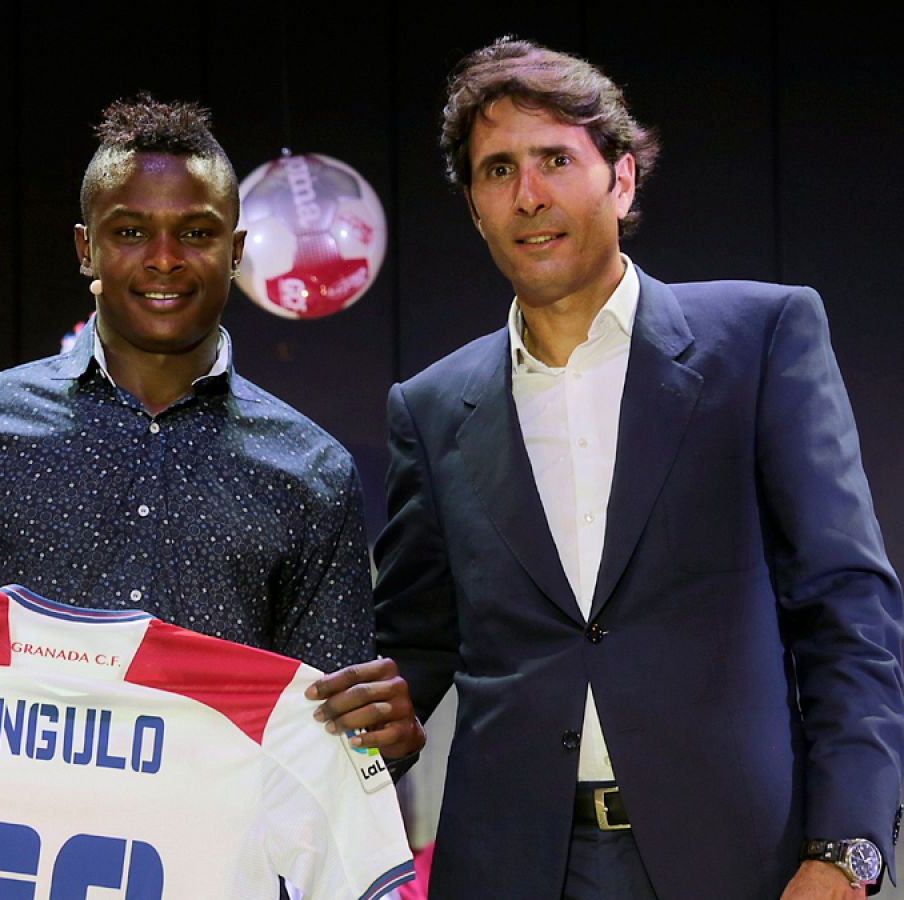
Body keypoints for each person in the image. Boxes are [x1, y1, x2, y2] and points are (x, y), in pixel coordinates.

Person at [371, 38, 904, 899]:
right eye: (498, 170)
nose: (529, 194)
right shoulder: (430, 408)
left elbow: (848, 609)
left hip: (740, 861)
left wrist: (847, 849)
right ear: (474, 207)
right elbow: (414, 648)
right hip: (508, 870)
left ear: (621, 179)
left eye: (555, 159)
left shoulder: (760, 340)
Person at [0, 95, 422, 758]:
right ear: (86, 248)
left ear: (236, 250)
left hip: (214, 825)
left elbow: (335, 744)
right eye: (130, 232)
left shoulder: (310, 472)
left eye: (197, 233)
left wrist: (384, 742)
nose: (164, 258)